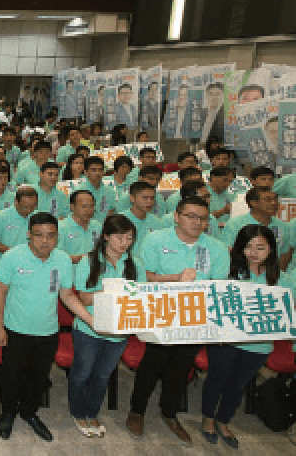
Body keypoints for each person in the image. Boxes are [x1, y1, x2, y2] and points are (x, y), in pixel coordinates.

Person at [126, 196, 230, 446]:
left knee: (181, 368)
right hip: (161, 313)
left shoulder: (216, 248)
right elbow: (145, 276)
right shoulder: (156, 239)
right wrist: (176, 278)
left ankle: (169, 413)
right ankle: (137, 411)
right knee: (151, 364)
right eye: (191, 216)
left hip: (195, 318)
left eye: (203, 218)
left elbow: (219, 286)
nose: (197, 222)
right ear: (176, 216)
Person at [0, 212, 91, 442]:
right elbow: (1, 293)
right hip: (15, 329)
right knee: (12, 375)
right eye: (39, 235)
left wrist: (88, 318)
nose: (45, 241)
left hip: (48, 330)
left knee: (38, 378)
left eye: (51, 236)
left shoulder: (63, 260)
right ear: (29, 234)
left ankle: (29, 413)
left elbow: (66, 295)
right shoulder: (12, 257)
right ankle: (8, 412)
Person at [201, 224, 285, 449]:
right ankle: (208, 418)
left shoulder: (280, 277)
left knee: (238, 385)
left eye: (260, 247)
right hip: (226, 340)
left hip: (259, 345)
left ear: (271, 249)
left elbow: (286, 309)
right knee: (217, 379)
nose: (254, 253)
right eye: (248, 247)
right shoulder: (228, 271)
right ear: (239, 248)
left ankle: (224, 420)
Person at [69, 214, 144, 437]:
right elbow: (83, 298)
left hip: (118, 331)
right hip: (89, 328)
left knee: (102, 375)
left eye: (129, 238)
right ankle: (77, 412)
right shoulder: (89, 261)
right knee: (83, 372)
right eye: (119, 237)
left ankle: (92, 412)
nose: (125, 243)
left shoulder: (134, 263)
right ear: (106, 237)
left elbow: (140, 296)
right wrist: (113, 290)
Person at [222, 187, 294, 269]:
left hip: (273, 275)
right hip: (243, 274)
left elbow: (285, 254)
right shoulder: (235, 224)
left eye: (275, 199)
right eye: (268, 200)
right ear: (253, 203)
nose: (274, 203)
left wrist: (276, 276)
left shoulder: (283, 226)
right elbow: (227, 251)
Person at [0, 186, 38, 265]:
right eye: (25, 207)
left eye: (32, 207)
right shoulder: (1, 217)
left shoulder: (37, 217)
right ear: (16, 202)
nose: (29, 210)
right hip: (6, 264)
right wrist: (16, 253)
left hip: (30, 264)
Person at [57, 189, 102, 266]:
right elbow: (56, 257)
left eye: (91, 206)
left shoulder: (98, 226)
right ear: (72, 207)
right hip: (71, 274)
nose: (88, 210)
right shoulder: (61, 227)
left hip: (95, 273)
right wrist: (81, 259)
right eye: (84, 207)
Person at [121, 181, 162, 257]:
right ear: (132, 198)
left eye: (152, 198)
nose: (149, 202)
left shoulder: (156, 221)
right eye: (145, 198)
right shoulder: (121, 219)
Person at [76, 156, 116, 223]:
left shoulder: (110, 190)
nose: (98, 173)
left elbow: (110, 212)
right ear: (85, 172)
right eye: (94, 170)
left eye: (100, 170)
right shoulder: (78, 191)